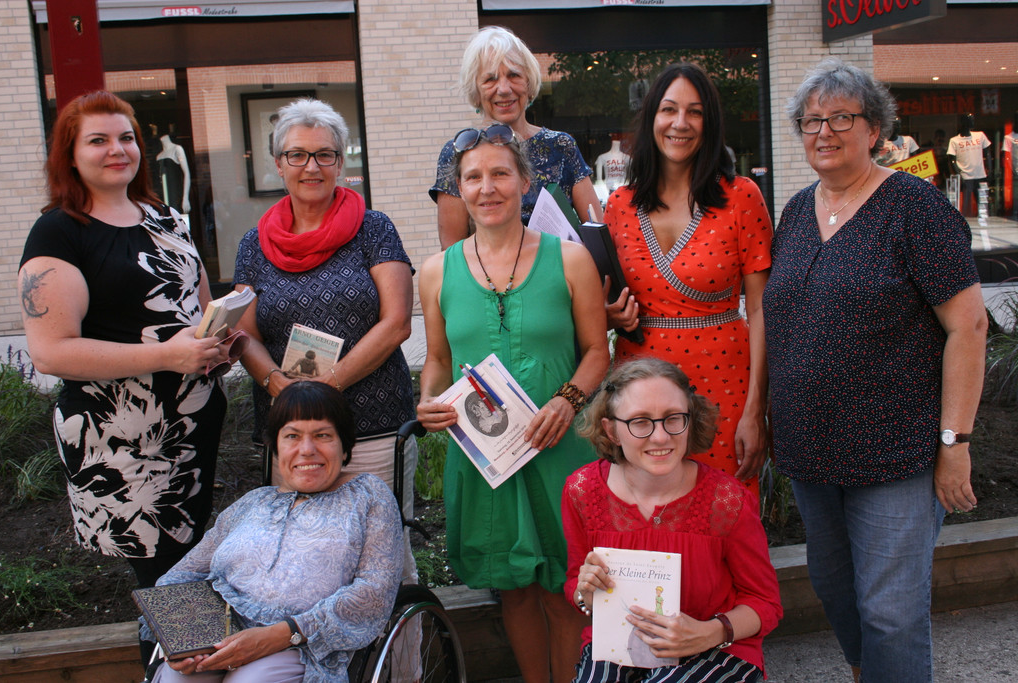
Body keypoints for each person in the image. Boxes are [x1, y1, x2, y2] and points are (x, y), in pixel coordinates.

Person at [764, 58, 988, 683]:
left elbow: (969, 327)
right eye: (812, 121)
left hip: (897, 452)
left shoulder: (914, 207)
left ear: (874, 129)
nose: (825, 132)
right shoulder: (796, 212)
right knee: (836, 590)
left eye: (842, 118)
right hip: (811, 452)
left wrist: (956, 442)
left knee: (891, 612)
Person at [417, 126, 610, 683]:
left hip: (559, 446)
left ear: (525, 182)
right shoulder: (436, 271)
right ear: (459, 189)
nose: (487, 188)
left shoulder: (570, 259)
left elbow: (597, 351)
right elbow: (437, 359)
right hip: (487, 459)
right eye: (473, 177)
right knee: (515, 591)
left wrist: (568, 401)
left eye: (500, 173)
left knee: (566, 591)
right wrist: (427, 399)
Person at [17, 91, 228, 591]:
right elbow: (51, 351)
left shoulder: (166, 220)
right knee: (167, 577)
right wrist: (169, 354)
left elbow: (195, 313)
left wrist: (217, 344)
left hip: (191, 428)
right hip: (121, 441)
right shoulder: (58, 233)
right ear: (70, 155)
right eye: (98, 140)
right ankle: (185, 642)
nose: (117, 149)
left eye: (126, 137)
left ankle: (176, 640)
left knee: (186, 564)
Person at [232, 99, 417, 554]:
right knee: (299, 555)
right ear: (279, 164)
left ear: (340, 163)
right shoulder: (253, 244)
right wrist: (278, 385)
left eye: (324, 154)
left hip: (372, 425)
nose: (311, 167)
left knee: (382, 555)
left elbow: (396, 323)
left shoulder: (374, 229)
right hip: (292, 432)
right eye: (297, 155)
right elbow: (244, 334)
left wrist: (326, 385)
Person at [149, 381, 403, 682]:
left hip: (304, 645)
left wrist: (284, 634)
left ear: (344, 444)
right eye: (292, 436)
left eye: (322, 435)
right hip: (220, 636)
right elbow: (180, 576)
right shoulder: (254, 502)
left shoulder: (368, 496)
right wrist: (188, 641)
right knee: (177, 679)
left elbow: (374, 591)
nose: (307, 450)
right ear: (276, 445)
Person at [603, 63, 773, 496]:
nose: (680, 123)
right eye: (669, 109)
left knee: (724, 511)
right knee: (647, 513)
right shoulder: (619, 205)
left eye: (694, 112)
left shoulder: (741, 197)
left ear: (709, 123)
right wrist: (610, 315)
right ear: (651, 118)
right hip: (640, 391)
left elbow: (761, 309)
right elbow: (602, 301)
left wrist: (756, 409)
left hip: (724, 387)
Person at [564, 358, 782, 683]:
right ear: (611, 430)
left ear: (690, 420)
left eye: (673, 418)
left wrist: (711, 632)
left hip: (716, 645)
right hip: (620, 642)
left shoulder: (726, 500)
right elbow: (575, 582)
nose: (660, 437)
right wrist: (587, 593)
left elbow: (765, 602)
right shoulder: (582, 491)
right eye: (640, 422)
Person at [430, 25, 600, 249]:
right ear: (476, 90)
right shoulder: (459, 152)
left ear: (528, 82)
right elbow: (452, 251)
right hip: (489, 270)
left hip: (561, 267)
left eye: (514, 75)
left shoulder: (561, 146)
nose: (503, 89)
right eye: (490, 79)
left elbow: (598, 232)